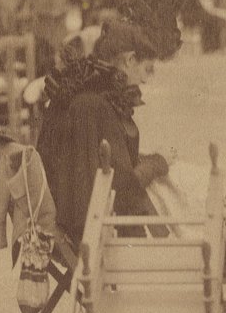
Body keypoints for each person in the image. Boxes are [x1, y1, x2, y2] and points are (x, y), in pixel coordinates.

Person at [35, 17, 170, 247]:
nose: (147, 78)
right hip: (88, 229)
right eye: (148, 68)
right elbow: (123, 187)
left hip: (57, 218)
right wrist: (158, 162)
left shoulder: (77, 90)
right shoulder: (98, 105)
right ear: (129, 60)